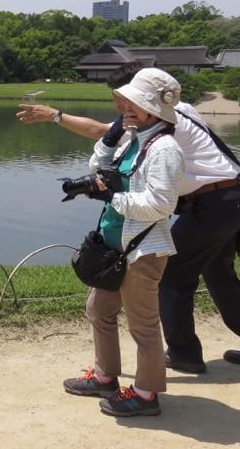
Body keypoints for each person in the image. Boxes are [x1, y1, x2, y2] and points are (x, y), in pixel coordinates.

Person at [17, 65, 240, 374]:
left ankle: (185, 353)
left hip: (209, 204)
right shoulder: (178, 110)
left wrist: (56, 116)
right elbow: (108, 144)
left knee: (171, 275)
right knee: (220, 276)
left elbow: (101, 135)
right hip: (226, 199)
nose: (121, 105)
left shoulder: (161, 128)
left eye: (125, 98)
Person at [62, 68, 185, 417]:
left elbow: (162, 205)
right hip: (116, 245)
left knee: (143, 325)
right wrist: (110, 137)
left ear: (152, 107)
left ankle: (146, 395)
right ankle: (105, 376)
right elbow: (99, 166)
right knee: (99, 309)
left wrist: (112, 198)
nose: (124, 107)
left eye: (132, 102)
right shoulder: (135, 139)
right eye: (124, 103)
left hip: (143, 250)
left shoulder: (164, 149)